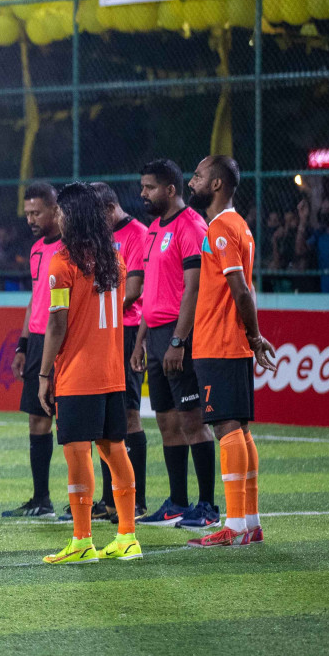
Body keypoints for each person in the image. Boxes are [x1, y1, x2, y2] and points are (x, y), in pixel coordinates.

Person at [36, 182, 142, 564]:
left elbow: (56, 325)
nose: (57, 217)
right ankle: (127, 537)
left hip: (79, 375)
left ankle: (82, 541)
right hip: (112, 372)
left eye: (62, 212)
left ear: (74, 216)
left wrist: (45, 374)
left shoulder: (63, 262)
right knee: (115, 450)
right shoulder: (115, 259)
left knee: (77, 452)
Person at [186, 155, 278, 548]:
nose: (192, 182)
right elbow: (248, 291)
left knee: (225, 427)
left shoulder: (222, 227)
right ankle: (250, 522)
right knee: (240, 427)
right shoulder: (240, 225)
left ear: (217, 184)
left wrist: (255, 338)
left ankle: (236, 526)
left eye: (199, 176)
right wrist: (252, 336)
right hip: (233, 342)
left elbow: (240, 289)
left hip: (220, 342)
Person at [131, 159, 218, 530]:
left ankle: (208, 506)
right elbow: (152, 291)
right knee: (166, 422)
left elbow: (193, 291)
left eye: (149, 187)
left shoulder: (192, 225)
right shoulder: (153, 229)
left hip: (180, 335)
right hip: (155, 336)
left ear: (170, 190)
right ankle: (178, 503)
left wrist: (179, 341)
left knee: (192, 421)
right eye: (142, 187)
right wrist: (140, 341)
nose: (143, 194)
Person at [2, 182, 62, 519]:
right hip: (38, 341)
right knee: (37, 422)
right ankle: (41, 500)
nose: (31, 219)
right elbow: (35, 299)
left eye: (36, 212)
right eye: (27, 213)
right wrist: (22, 345)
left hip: (63, 339)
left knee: (71, 424)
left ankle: (94, 502)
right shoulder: (37, 249)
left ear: (55, 209)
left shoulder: (73, 248)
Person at [93, 182, 149, 519]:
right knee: (105, 418)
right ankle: (109, 499)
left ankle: (137, 500)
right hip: (108, 330)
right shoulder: (104, 238)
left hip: (128, 330)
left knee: (128, 414)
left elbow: (135, 287)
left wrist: (101, 311)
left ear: (109, 209)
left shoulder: (137, 234)